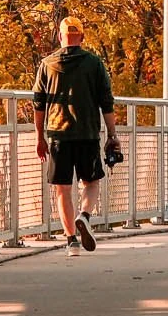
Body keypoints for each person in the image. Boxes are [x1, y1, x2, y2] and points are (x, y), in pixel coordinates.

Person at [32, 16, 121, 256]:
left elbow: (38, 104)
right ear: (81, 37)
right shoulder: (93, 63)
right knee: (90, 183)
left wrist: (39, 137)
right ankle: (85, 215)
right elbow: (106, 102)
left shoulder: (47, 64)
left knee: (62, 189)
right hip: (87, 133)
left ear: (60, 37)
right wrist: (112, 135)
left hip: (58, 135)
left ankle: (71, 241)